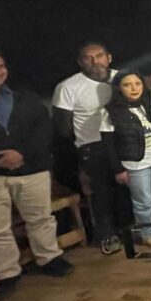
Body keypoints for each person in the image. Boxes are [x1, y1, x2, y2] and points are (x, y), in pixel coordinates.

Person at [0, 50, 73, 300]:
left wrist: (21, 153)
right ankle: (7, 272)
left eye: (1, 66)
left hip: (31, 168)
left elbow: (43, 129)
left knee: (40, 218)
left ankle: (48, 257)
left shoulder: (25, 98)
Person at [52, 41, 129, 255]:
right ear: (80, 62)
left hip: (123, 142)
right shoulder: (68, 87)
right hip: (92, 146)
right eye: (89, 58)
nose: (96, 61)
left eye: (100, 55)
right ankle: (107, 235)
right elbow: (63, 128)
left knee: (126, 190)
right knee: (101, 193)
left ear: (109, 57)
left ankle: (128, 230)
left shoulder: (123, 78)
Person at [100, 70, 151, 248]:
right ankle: (148, 234)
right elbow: (108, 144)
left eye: (137, 83)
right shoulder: (110, 111)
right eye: (127, 85)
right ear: (118, 88)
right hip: (135, 162)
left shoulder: (149, 102)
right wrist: (118, 169)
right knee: (144, 202)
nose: (134, 88)